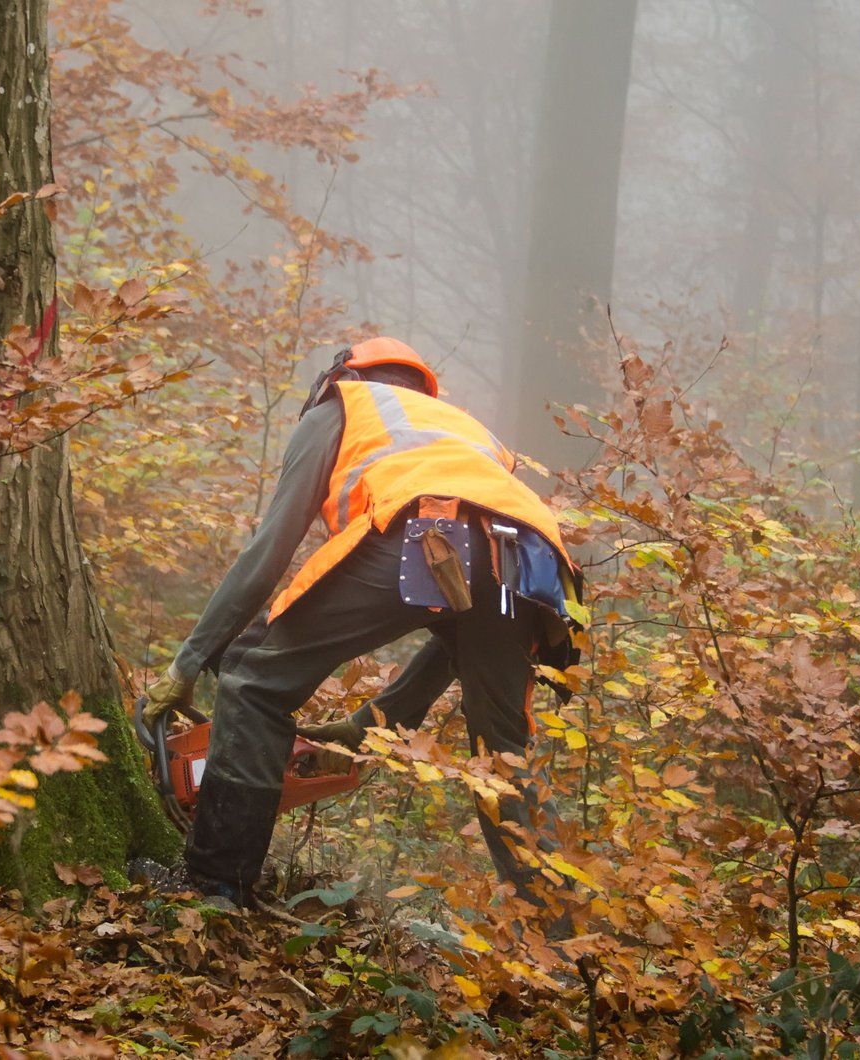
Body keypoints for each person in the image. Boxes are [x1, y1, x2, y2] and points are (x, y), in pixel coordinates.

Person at [140, 337, 581, 907]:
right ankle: (566, 950)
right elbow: (462, 625)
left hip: (426, 526)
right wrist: (379, 717)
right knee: (503, 762)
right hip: (533, 562)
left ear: (342, 374)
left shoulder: (344, 405)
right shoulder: (469, 431)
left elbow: (270, 549)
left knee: (251, 680)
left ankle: (217, 885)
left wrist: (190, 660)